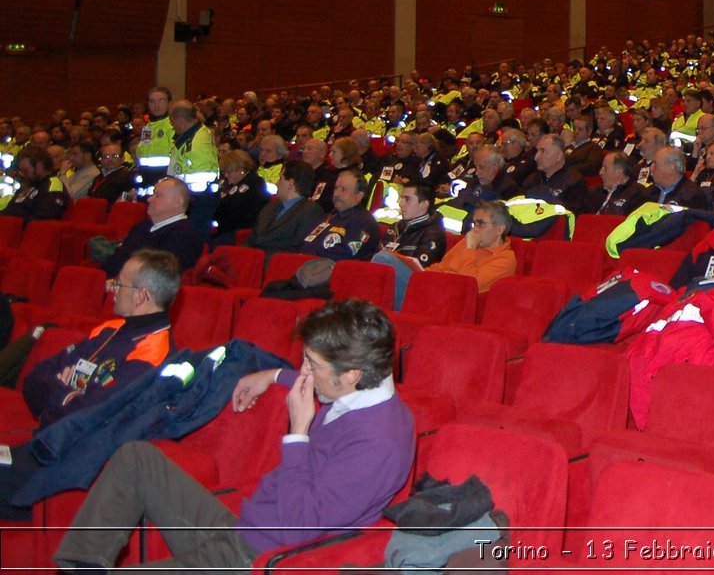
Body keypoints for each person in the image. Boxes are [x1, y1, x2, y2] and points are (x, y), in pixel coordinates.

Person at [52, 300, 414, 572]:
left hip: (256, 558)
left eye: (312, 365)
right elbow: (314, 385)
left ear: (351, 374)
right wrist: (272, 376)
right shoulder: (358, 389)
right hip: (242, 526)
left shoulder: (379, 442)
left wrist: (298, 434)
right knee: (136, 459)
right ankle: (78, 565)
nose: (303, 372)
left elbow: (298, 528)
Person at [0, 250, 179, 517]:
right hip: (44, 448)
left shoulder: (154, 354)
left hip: (68, 473)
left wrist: (64, 395)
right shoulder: (108, 330)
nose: (111, 289)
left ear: (141, 296)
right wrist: (68, 396)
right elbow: (36, 378)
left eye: (118, 283)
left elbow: (87, 419)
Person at [103, 177, 205, 278]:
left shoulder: (185, 236)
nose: (149, 199)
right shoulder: (141, 227)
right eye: (153, 194)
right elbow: (115, 261)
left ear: (178, 202)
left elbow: (159, 276)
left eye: (158, 196)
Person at [414, 200, 517, 298]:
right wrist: (418, 275)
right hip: (433, 287)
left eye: (480, 224)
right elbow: (442, 266)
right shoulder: (466, 242)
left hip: (452, 299)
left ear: (500, 229)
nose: (474, 229)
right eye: (474, 224)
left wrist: (470, 248)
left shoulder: (505, 259)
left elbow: (469, 284)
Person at [370, 181, 449, 310]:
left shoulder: (434, 232)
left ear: (424, 204)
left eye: (407, 199)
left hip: (416, 287)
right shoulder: (395, 227)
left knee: (384, 258)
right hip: (388, 281)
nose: (401, 204)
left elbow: (421, 270)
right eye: (401, 199)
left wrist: (391, 258)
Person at [298, 169, 381, 261]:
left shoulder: (365, 223)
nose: (336, 194)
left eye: (343, 189)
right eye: (336, 188)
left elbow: (345, 254)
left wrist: (312, 254)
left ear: (359, 195)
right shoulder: (328, 217)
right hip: (308, 266)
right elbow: (304, 243)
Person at [248, 161, 325, 257]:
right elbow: (252, 238)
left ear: (290, 183)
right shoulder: (270, 207)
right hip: (254, 260)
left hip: (276, 263)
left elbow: (298, 247)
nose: (276, 183)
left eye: (280, 178)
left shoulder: (311, 211)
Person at [212, 149, 270, 246]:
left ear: (241, 169)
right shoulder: (227, 184)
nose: (226, 175)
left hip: (241, 232)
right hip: (224, 229)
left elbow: (240, 211)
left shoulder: (255, 183)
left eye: (229, 172)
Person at [1, 144, 70, 221]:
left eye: (26, 170)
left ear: (39, 165)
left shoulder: (53, 185)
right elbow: (9, 210)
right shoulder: (27, 186)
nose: (23, 174)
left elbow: (44, 218)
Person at [587, 150, 649, 215]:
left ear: (619, 172)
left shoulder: (636, 193)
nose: (600, 172)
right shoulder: (595, 191)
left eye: (605, 168)